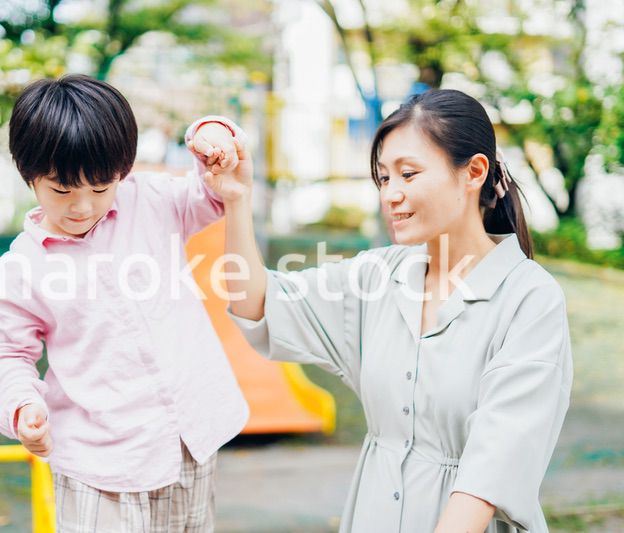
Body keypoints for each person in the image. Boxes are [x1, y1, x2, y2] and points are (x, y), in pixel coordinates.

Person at [210, 89, 573, 532]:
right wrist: (236, 199)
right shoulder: (378, 277)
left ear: (474, 172)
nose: (391, 195)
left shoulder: (529, 298)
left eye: (408, 174)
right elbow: (256, 302)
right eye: (384, 178)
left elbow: (493, 465)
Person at [0, 74, 249, 532]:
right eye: (62, 191)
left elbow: (213, 191)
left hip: (188, 438)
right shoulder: (22, 267)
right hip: (99, 459)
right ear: (30, 176)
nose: (83, 206)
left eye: (101, 188)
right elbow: (10, 353)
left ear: (122, 172)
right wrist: (23, 404)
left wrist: (212, 135)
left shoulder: (152, 201)